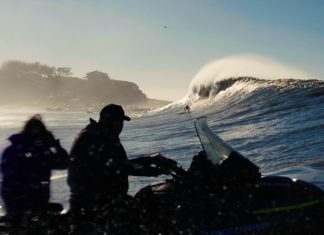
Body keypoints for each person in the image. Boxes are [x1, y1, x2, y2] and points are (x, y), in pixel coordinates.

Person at [67, 104, 175, 233]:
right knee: (146, 217)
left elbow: (119, 164)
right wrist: (153, 170)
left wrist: (150, 159)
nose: (121, 126)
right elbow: (116, 167)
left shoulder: (99, 135)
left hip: (100, 199)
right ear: (110, 121)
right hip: (96, 203)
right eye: (119, 122)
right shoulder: (94, 138)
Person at [1, 115, 69, 221]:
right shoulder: (38, 152)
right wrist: (55, 146)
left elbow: (64, 163)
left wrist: (55, 146)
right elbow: (64, 163)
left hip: (23, 201)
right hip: (25, 201)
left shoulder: (16, 149)